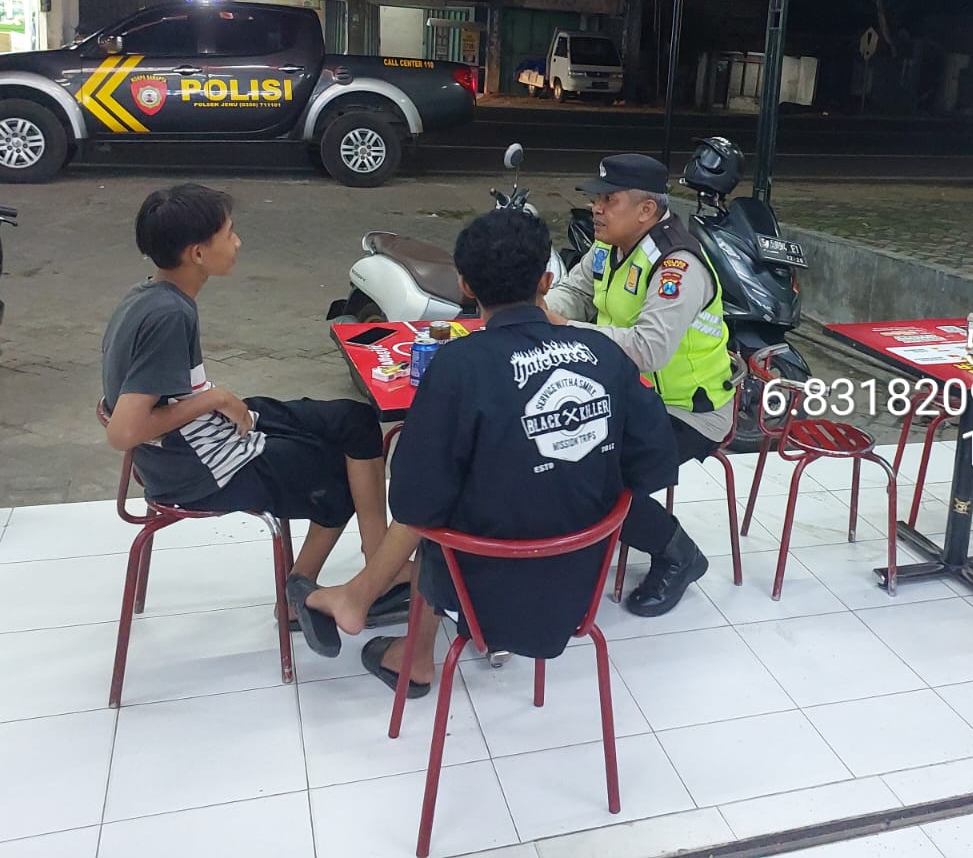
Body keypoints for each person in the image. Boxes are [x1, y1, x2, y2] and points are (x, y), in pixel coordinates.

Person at [304, 208, 676, 690]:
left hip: (481, 584)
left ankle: (406, 650)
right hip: (584, 575)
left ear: (465, 286)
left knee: (439, 508)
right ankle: (361, 600)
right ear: (546, 281)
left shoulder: (458, 366)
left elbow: (415, 502)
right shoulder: (605, 354)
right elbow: (653, 465)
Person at [99, 183, 406, 657]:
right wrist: (215, 398)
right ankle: (297, 593)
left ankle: (379, 562)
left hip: (202, 435)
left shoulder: (149, 295)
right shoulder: (168, 317)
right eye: (229, 233)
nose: (238, 241)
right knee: (337, 478)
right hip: (199, 467)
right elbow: (124, 431)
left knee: (356, 420)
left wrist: (213, 402)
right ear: (197, 253)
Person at [541, 153, 734, 617]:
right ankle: (571, 541)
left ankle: (678, 554)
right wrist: (543, 311)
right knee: (549, 448)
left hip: (688, 411)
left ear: (646, 210)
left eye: (609, 200)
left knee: (590, 476)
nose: (596, 208)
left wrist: (563, 328)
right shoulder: (609, 245)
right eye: (597, 198)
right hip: (629, 398)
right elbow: (576, 289)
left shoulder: (677, 266)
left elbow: (648, 350)